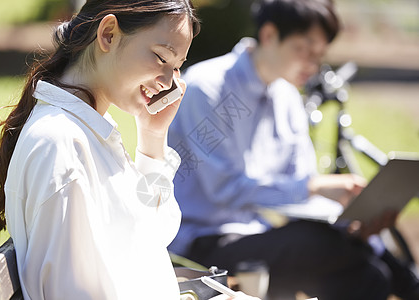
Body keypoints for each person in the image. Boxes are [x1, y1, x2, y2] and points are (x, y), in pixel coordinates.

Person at [0, 1, 259, 299]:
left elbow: (154, 235)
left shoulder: (91, 129)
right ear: (108, 34)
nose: (167, 82)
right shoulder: (62, 145)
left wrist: (153, 136)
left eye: (176, 68)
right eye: (161, 57)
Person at [167, 0, 419, 299]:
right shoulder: (209, 88)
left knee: (368, 275)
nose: (313, 66)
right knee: (322, 243)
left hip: (259, 234)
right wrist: (314, 187)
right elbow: (225, 190)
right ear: (270, 35)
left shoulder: (286, 96)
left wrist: (345, 216)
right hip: (203, 242)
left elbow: (300, 187)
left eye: (319, 56)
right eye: (305, 51)